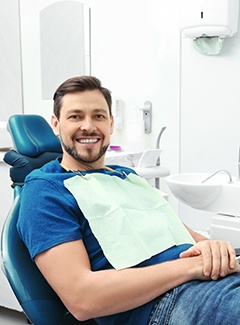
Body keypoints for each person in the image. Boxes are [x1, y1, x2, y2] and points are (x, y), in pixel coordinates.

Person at [17, 75, 240, 325]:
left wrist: (214, 248)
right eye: (75, 116)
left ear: (111, 124)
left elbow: (188, 236)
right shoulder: (45, 190)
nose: (88, 126)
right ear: (56, 125)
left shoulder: (128, 177)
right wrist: (191, 268)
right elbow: (82, 298)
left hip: (215, 284)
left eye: (99, 116)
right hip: (166, 304)